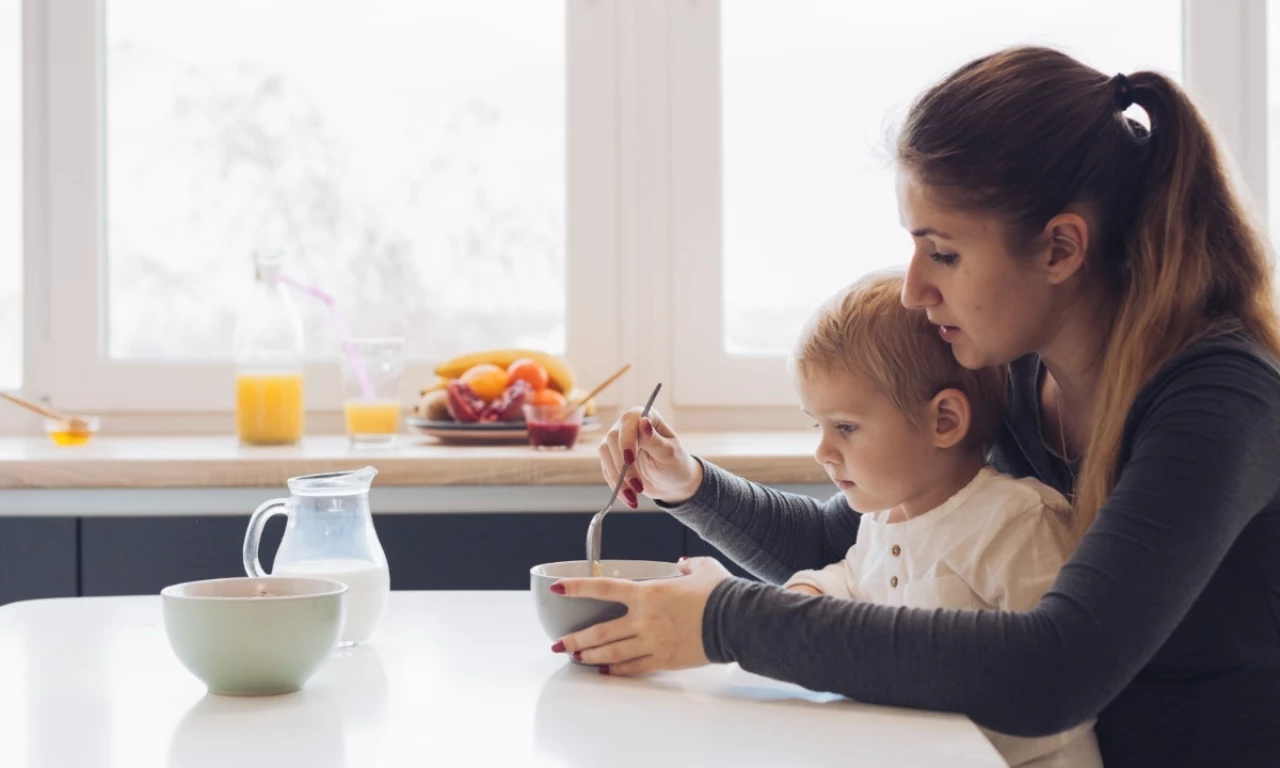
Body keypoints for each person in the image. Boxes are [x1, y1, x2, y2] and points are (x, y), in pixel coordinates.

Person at [547, 46, 1280, 767]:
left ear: (1060, 249)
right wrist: (693, 487)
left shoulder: (1219, 400)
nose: (914, 289)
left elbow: (1055, 670)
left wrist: (723, 622)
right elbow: (853, 545)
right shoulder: (1017, 376)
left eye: (945, 253)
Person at [787, 273, 1099, 766]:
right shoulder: (881, 520)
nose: (823, 451)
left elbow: (1059, 690)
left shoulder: (1016, 522)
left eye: (845, 427)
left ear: (945, 421)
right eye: (816, 425)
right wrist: (809, 596)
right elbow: (853, 580)